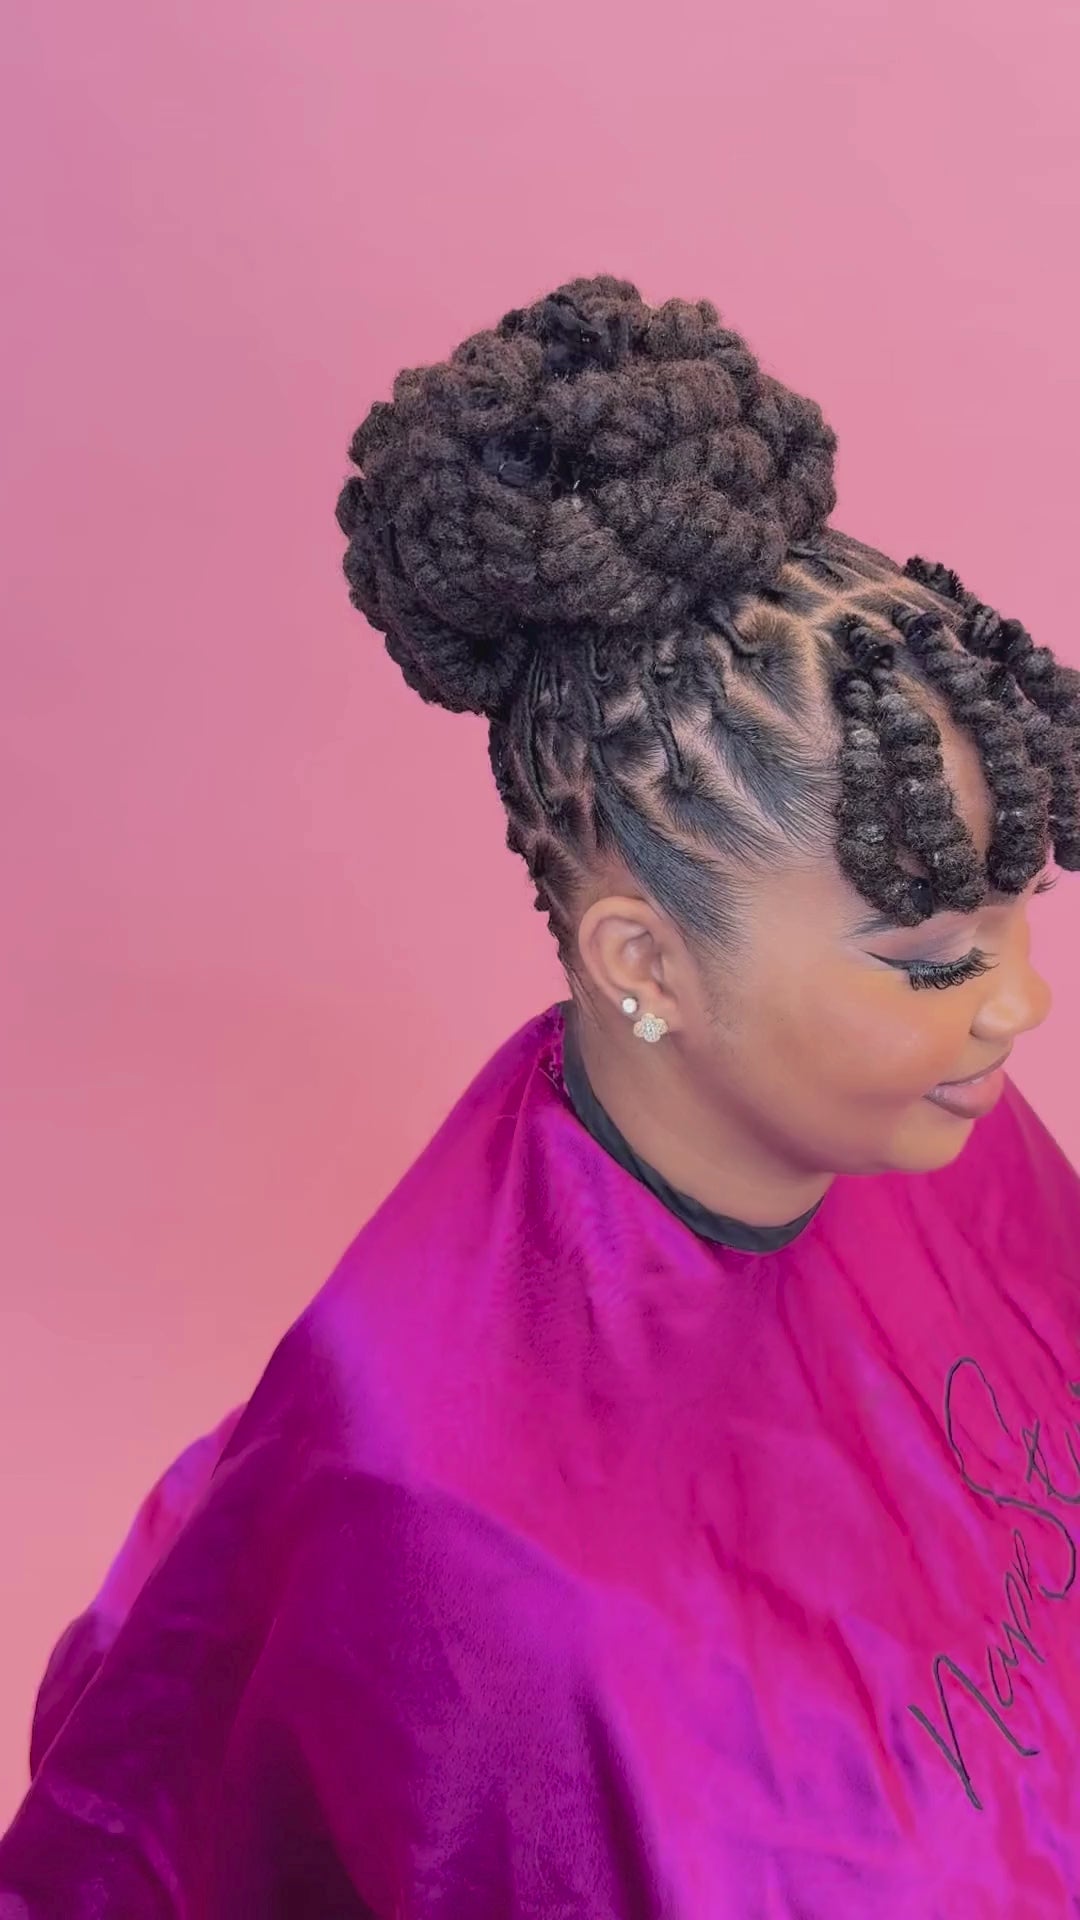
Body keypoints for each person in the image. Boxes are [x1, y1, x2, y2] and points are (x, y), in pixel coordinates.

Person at [3, 275, 1080, 1918]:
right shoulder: (467, 1552)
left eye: (1021, 917)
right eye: (933, 961)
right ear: (646, 958)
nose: (1022, 1004)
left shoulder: (939, 1130)